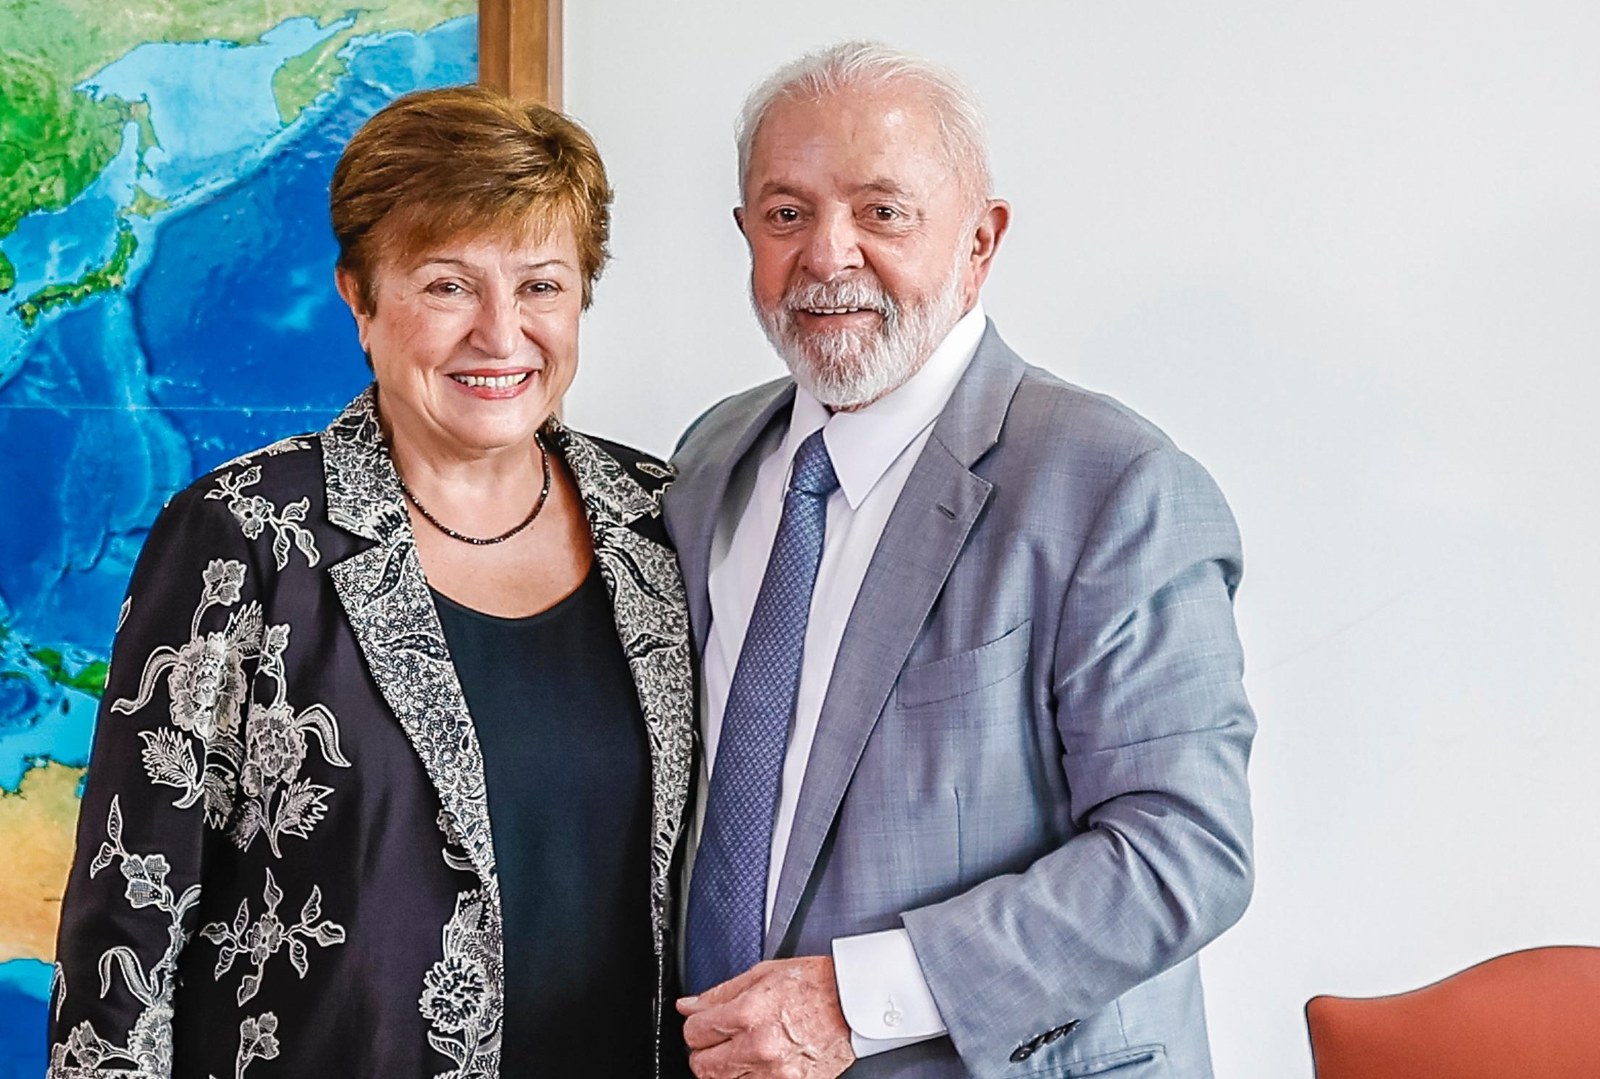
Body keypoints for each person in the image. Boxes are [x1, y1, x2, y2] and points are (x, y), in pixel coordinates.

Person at [48, 86, 694, 1078]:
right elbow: (125, 928)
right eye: (447, 285)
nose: (500, 334)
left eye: (540, 286)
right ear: (359, 293)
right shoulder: (244, 535)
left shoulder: (664, 520)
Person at [668, 43, 1255, 1079]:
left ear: (980, 240)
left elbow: (1183, 851)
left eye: (882, 211)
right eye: (785, 212)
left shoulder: (1114, 484)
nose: (827, 255)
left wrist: (855, 998)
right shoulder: (710, 459)